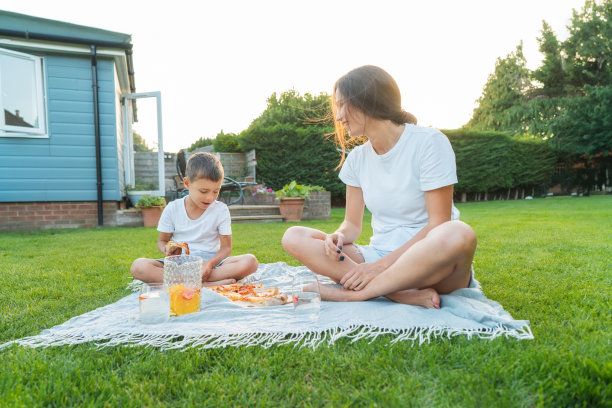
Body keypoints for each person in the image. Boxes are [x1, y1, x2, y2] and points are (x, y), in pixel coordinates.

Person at [281, 65, 477, 309]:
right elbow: (352, 225)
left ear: (368, 101)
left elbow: (438, 223)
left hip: (431, 261)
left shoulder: (429, 142)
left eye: (343, 105)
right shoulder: (356, 159)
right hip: (379, 254)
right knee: (295, 237)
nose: (339, 116)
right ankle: (399, 294)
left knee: (459, 232)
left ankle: (357, 293)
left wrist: (379, 268)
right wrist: (339, 236)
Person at [131, 152, 258, 285]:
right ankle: (208, 284)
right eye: (203, 191)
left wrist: (208, 265)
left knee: (250, 262)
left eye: (216, 191)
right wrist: (167, 250)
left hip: (212, 264)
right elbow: (162, 241)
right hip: (179, 265)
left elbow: (226, 248)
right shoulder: (172, 209)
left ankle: (187, 282)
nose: (210, 197)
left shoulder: (221, 210)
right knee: (138, 266)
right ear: (187, 183)